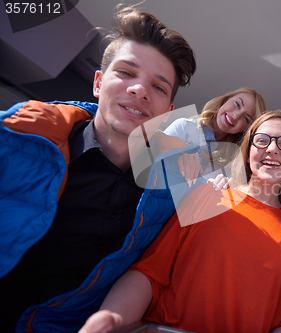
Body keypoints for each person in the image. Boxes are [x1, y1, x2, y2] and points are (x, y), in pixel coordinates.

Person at [0, 5, 196, 332]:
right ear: (98, 82)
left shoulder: (172, 187)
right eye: (127, 73)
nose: (140, 90)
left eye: (159, 87)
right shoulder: (18, 139)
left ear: (169, 112)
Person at [79, 110, 281, 333]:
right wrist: (112, 320)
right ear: (248, 153)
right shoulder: (207, 196)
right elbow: (151, 273)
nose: (271, 149)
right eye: (261, 140)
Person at [161, 87, 266, 187]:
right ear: (226, 100)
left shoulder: (234, 162)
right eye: (237, 104)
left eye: (246, 118)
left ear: (246, 129)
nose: (236, 115)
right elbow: (152, 165)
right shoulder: (184, 127)